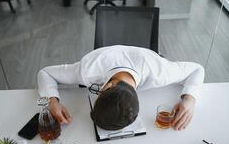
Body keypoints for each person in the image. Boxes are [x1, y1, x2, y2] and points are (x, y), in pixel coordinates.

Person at [37, 45, 205, 131]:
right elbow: (44, 72)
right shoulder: (87, 70)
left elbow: (197, 69)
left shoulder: (160, 71)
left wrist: (190, 99)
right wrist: (50, 102)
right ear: (106, 86)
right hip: (103, 56)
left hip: (145, 57)